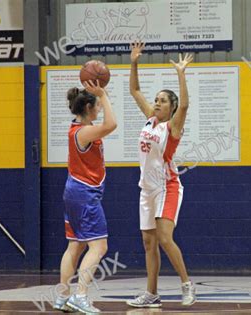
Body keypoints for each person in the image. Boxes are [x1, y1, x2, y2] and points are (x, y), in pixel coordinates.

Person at [126, 41, 196, 308]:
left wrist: (181, 73)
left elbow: (186, 106)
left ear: (171, 108)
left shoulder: (172, 128)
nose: (156, 103)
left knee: (165, 237)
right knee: (148, 242)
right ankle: (152, 294)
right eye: (156, 100)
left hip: (167, 186)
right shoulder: (149, 119)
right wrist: (134, 62)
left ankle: (186, 285)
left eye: (162, 101)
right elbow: (134, 90)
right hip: (146, 189)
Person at [53, 80, 117, 314]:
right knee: (99, 247)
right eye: (97, 106)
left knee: (75, 246)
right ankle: (80, 296)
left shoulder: (76, 129)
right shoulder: (85, 131)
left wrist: (100, 96)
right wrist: (104, 94)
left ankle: (62, 297)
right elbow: (112, 124)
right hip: (84, 194)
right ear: (88, 109)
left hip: (74, 191)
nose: (100, 108)